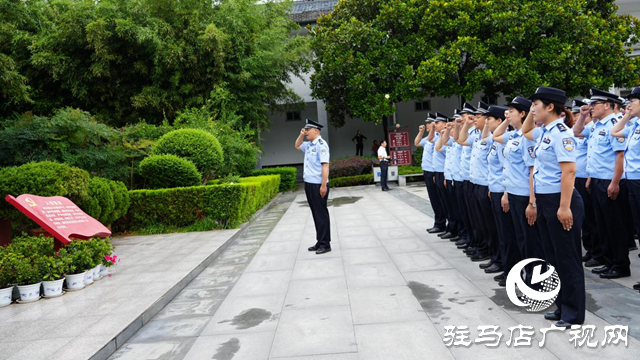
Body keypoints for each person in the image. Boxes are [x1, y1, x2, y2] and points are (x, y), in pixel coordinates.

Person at [523, 86, 585, 328]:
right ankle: (562, 306)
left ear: (550, 107)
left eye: (536, 105)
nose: (532, 110)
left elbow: (569, 171)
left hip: (562, 200)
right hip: (546, 200)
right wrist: (531, 110)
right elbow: (526, 129)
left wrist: (564, 207)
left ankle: (573, 314)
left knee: (568, 258)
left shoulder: (561, 134)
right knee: (553, 257)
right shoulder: (544, 132)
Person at [573, 88, 632, 279]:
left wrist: (615, 182)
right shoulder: (596, 125)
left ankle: (621, 264)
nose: (591, 108)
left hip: (610, 181)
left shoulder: (614, 124)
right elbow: (577, 131)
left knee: (615, 225)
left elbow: (620, 155)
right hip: (597, 179)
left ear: (607, 105)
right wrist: (582, 116)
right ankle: (608, 262)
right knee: (602, 224)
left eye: (594, 104)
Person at [610, 86, 640, 291]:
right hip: (632, 181)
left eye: (633, 101)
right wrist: (628, 116)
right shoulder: (635, 124)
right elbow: (614, 131)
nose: (628, 105)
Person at [295, 119, 332, 255]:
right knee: (316, 214)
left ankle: (325, 244)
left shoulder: (321, 145)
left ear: (316, 131)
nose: (305, 132)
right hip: (309, 183)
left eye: (307, 130)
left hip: (318, 184)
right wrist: (300, 134)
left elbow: (325, 165)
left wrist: (323, 186)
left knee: (321, 213)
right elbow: (297, 145)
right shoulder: (309, 144)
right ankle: (320, 241)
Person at [570, 99, 599, 265]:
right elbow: (576, 130)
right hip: (576, 177)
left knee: (592, 218)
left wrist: (589, 176)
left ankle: (597, 251)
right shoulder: (583, 129)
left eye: (579, 115)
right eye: (574, 115)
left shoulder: (594, 128)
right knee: (584, 219)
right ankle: (590, 249)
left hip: (586, 176)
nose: (576, 118)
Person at [415, 115, 447, 233]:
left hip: (435, 171)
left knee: (439, 199)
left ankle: (441, 223)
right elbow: (417, 142)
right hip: (428, 170)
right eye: (428, 123)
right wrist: (421, 131)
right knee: (434, 199)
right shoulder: (430, 138)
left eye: (431, 123)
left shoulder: (439, 137)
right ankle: (439, 222)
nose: (428, 125)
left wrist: (432, 129)